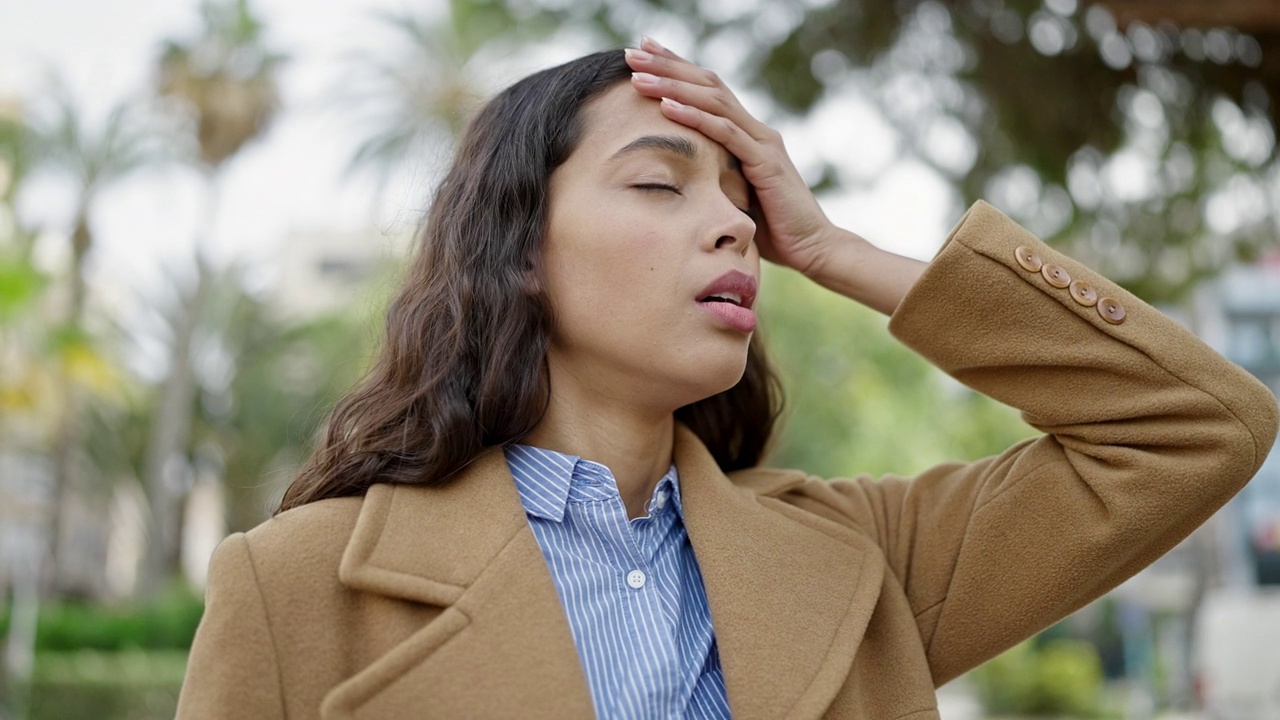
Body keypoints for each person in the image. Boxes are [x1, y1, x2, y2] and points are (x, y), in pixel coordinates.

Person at [175, 38, 1279, 719]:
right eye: (659, 186)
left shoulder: (859, 565)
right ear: (517, 248)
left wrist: (838, 248)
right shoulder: (297, 590)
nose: (732, 228)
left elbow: (1196, 426)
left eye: (745, 204)